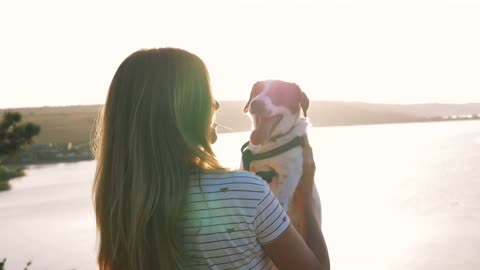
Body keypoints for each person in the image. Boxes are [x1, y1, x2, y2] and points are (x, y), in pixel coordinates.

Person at [92, 48, 330, 270]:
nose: (215, 103)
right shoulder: (248, 193)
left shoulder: (120, 204)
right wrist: (305, 197)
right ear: (183, 111)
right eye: (205, 94)